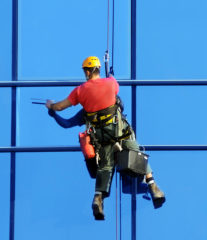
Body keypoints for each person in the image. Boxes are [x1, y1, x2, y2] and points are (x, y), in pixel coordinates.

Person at [46, 56, 165, 220]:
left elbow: (64, 117)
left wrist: (51, 108)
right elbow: (113, 87)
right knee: (136, 151)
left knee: (105, 167)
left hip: (104, 142)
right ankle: (153, 186)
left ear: (87, 72)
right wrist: (110, 76)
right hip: (122, 135)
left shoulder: (80, 92)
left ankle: (98, 198)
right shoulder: (110, 83)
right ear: (98, 70)